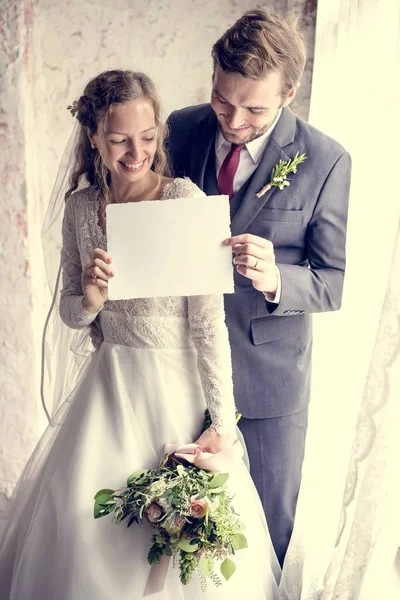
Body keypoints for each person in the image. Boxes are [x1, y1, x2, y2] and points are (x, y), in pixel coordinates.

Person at [0, 70, 280, 599]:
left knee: (176, 533)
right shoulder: (81, 209)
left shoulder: (183, 200)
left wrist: (222, 422)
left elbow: (207, 324)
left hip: (174, 391)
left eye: (148, 138)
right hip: (110, 387)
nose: (136, 153)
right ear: (94, 138)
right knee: (86, 520)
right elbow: (70, 317)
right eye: (119, 139)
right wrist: (89, 299)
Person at [166, 6, 352, 567]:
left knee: (263, 532)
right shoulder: (181, 128)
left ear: (289, 92)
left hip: (268, 382)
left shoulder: (326, 160)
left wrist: (276, 279)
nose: (234, 118)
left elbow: (333, 282)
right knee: (169, 520)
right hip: (176, 364)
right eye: (224, 99)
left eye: (255, 108)